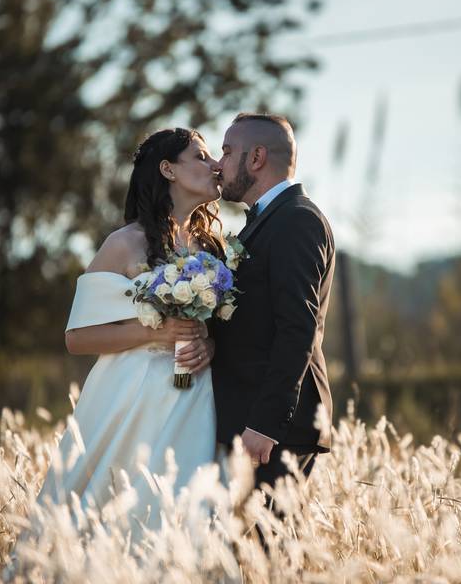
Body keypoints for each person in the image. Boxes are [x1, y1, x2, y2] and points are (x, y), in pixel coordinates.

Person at [35, 127, 221, 535]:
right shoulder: (124, 244)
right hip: (130, 396)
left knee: (186, 512)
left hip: (194, 396)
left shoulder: (213, 249)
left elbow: (221, 328)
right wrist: (156, 333)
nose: (216, 166)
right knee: (113, 512)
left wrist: (209, 344)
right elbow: (77, 338)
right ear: (168, 170)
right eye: (202, 157)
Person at [211, 113, 335, 490]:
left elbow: (298, 327)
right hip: (254, 424)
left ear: (257, 158)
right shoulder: (266, 221)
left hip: (274, 431)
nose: (219, 164)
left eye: (228, 152)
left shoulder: (297, 220)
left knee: (270, 549)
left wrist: (265, 424)